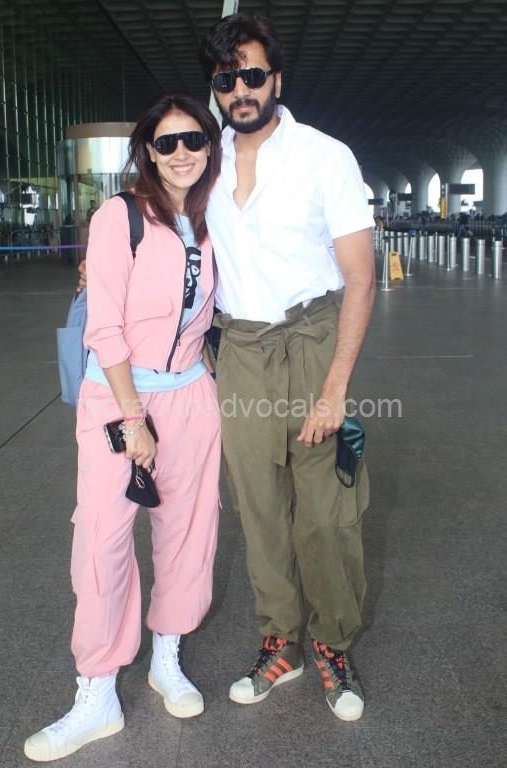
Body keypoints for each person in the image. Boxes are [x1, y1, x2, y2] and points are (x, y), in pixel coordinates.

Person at [25, 92, 222, 762]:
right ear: (148, 152)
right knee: (102, 539)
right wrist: (133, 417)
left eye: (194, 139)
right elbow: (104, 325)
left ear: (210, 146)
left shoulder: (216, 218)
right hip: (118, 398)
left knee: (189, 531)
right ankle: (98, 690)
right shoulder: (120, 216)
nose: (182, 153)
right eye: (167, 143)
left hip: (191, 394)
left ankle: (167, 656)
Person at [198, 13, 375, 721]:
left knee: (326, 514)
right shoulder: (203, 159)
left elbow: (360, 278)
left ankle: (333, 641)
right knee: (259, 510)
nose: (239, 91)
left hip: (311, 341)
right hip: (241, 350)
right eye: (226, 80)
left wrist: (335, 389)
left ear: (276, 78)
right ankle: (282, 640)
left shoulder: (324, 157)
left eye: (251, 75)